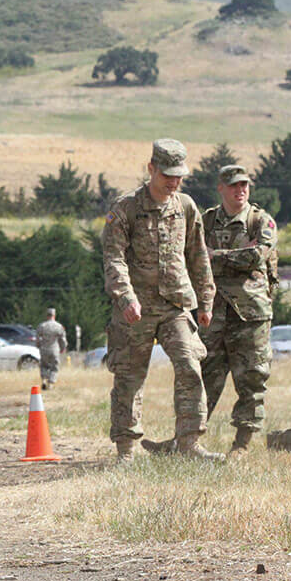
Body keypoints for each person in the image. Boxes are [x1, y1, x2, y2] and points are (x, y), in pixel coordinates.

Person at [101, 139, 223, 462]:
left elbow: (199, 256)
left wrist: (206, 301)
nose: (174, 182)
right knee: (129, 375)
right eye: (167, 175)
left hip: (175, 305)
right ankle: (126, 449)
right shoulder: (125, 208)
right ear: (151, 169)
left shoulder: (185, 207)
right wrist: (125, 297)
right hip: (135, 311)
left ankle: (189, 443)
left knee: (189, 364)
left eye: (179, 176)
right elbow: (113, 259)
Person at [144, 165, 278, 458]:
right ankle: (185, 441)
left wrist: (212, 256)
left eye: (244, 185)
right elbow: (189, 257)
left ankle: (242, 445)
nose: (240, 190)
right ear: (221, 188)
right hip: (211, 313)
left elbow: (257, 256)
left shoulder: (260, 220)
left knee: (252, 379)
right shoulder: (205, 219)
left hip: (250, 315)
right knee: (201, 378)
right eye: (233, 185)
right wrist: (222, 258)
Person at [36, 308, 67, 390]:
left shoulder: (42, 326)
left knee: (43, 365)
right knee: (54, 367)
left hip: (44, 349)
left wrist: (38, 345)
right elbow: (63, 339)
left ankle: (43, 380)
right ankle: (50, 384)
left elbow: (38, 338)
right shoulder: (59, 326)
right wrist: (63, 348)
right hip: (54, 349)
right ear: (54, 315)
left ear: (47, 315)